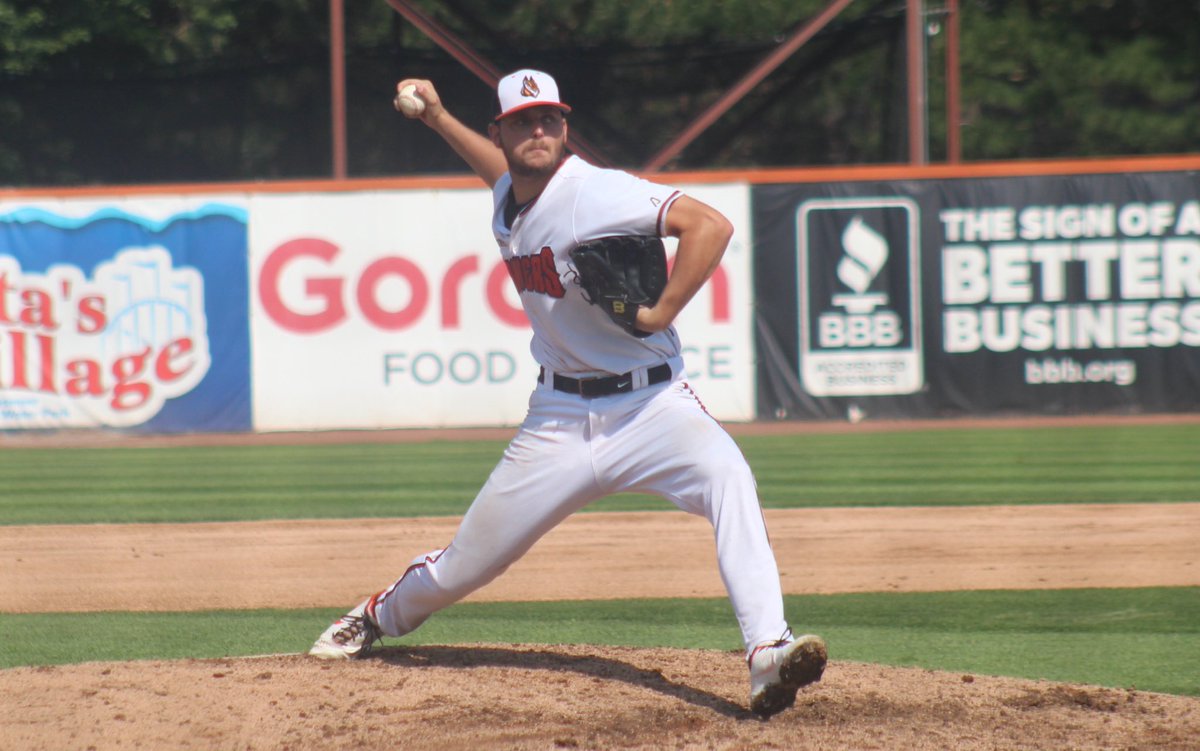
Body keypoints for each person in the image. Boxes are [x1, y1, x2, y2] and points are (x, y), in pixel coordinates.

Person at [309, 68, 826, 719]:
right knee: (467, 565)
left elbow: (710, 226)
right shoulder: (508, 193)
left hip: (652, 407)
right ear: (503, 130)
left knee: (729, 477)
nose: (538, 130)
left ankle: (767, 653)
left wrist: (661, 311)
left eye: (548, 119)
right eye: (522, 121)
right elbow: (499, 174)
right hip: (558, 418)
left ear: (564, 126)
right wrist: (438, 118)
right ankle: (374, 616)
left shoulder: (597, 192)